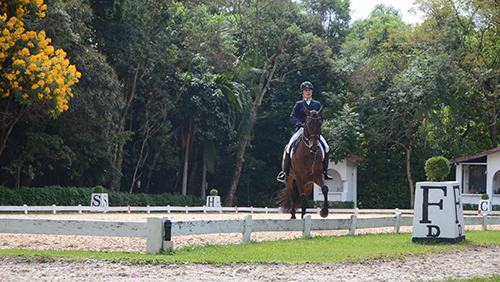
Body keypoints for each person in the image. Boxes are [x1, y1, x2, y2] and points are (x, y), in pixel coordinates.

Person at [276, 81, 333, 182]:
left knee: (326, 147)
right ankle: (284, 173)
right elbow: (292, 117)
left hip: (314, 132)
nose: (308, 92)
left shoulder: (317, 104)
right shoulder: (299, 104)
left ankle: (325, 172)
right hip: (301, 129)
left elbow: (321, 118)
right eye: (306, 91)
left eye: (310, 90)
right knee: (289, 147)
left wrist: (316, 125)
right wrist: (298, 123)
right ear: (302, 92)